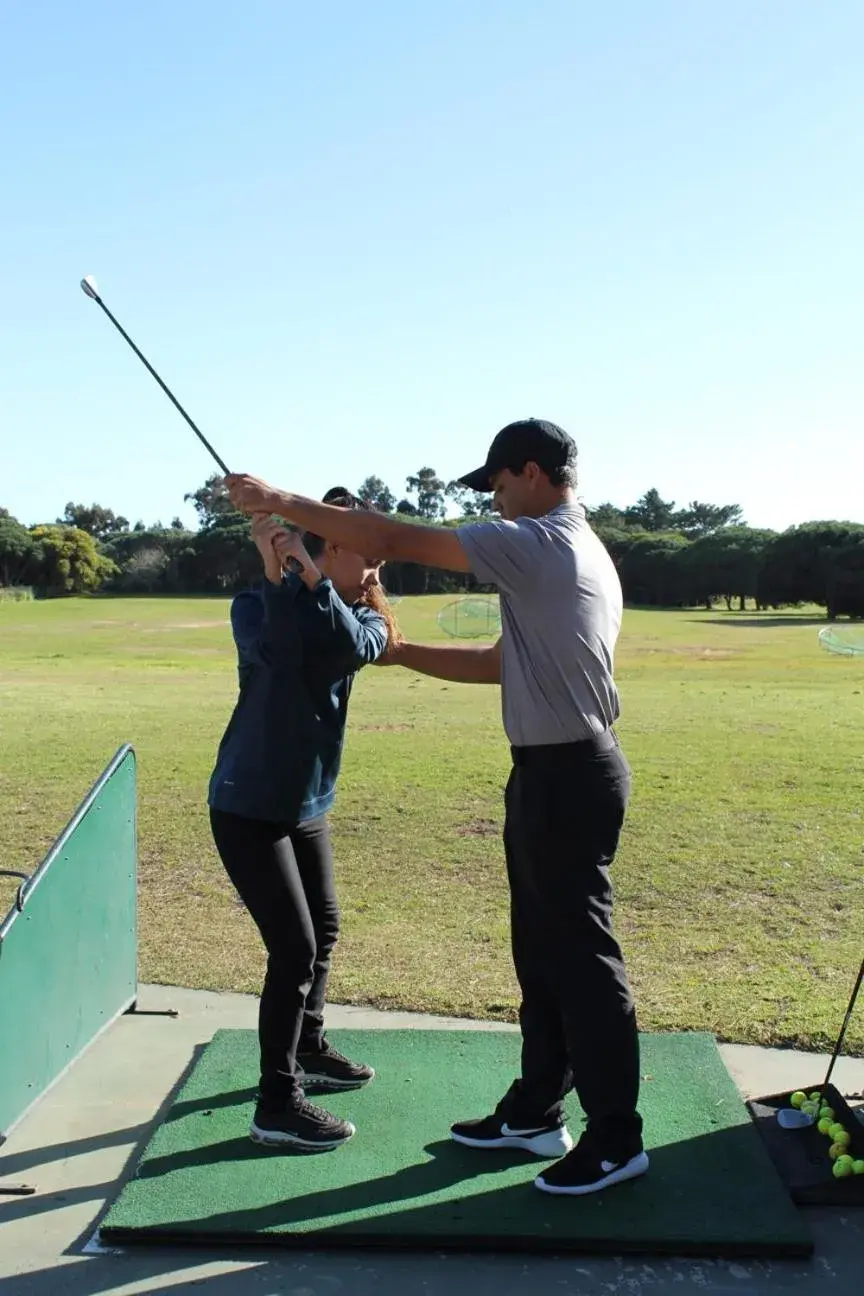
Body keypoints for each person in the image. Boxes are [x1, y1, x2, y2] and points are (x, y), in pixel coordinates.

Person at [226, 418, 647, 1196]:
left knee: (583, 961)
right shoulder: (567, 551)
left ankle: (617, 1138)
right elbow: (500, 665)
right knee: (541, 952)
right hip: (549, 773)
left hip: (570, 775)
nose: (492, 496)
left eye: (496, 482)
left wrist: (281, 500)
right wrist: (404, 651)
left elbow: (397, 535)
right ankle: (535, 1109)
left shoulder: (543, 540)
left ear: (531, 472)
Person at [208, 489, 400, 1151]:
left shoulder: (366, 618)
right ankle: (276, 1104)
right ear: (330, 543)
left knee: (324, 929)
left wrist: (309, 579)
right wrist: (273, 573)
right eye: (366, 549)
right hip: (249, 802)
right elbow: (277, 657)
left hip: (307, 802)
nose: (378, 564)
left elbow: (349, 647)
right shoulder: (256, 604)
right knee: (293, 949)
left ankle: (309, 1046)